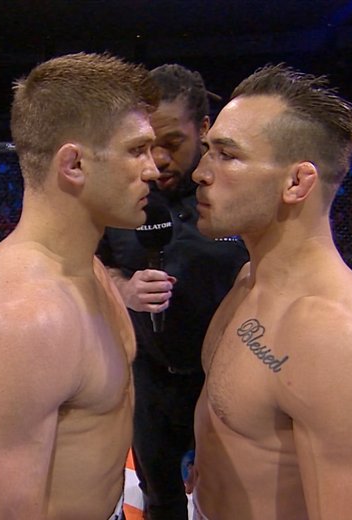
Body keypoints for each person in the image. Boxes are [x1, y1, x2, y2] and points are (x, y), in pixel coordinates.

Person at [0, 52, 160, 520]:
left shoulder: (89, 268)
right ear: (73, 164)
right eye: (137, 150)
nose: (153, 169)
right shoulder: (20, 320)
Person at [189, 64, 352, 519]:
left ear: (297, 183)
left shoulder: (339, 342)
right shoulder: (248, 279)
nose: (199, 173)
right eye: (207, 151)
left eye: (227, 155)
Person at [96, 64, 248, 520]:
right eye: (146, 144)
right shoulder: (121, 196)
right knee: (160, 498)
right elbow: (94, 264)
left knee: (228, 500)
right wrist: (123, 288)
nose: (158, 159)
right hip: (150, 380)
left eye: (172, 143)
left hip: (227, 382)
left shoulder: (242, 194)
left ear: (204, 128)